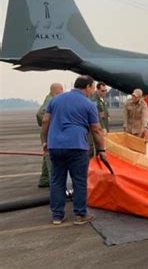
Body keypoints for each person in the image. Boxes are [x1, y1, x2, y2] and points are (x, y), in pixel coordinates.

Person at [41, 75, 106, 225]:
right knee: (79, 181)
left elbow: (45, 121)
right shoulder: (89, 104)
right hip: (77, 146)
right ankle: (80, 214)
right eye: (92, 88)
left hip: (55, 146)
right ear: (88, 87)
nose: (92, 91)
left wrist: (45, 141)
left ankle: (57, 216)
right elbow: (96, 129)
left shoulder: (55, 99)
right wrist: (101, 149)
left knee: (57, 181)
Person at [36, 83, 63, 187]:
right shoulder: (51, 100)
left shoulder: (50, 99)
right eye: (62, 90)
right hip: (49, 132)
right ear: (58, 90)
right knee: (49, 156)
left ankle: (45, 179)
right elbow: (40, 114)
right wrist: (50, 124)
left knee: (47, 154)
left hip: (48, 131)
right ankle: (52, 181)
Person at [88, 82, 111, 158]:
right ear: (97, 90)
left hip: (104, 126)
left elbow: (104, 111)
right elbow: (96, 115)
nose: (104, 92)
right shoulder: (94, 100)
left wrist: (108, 116)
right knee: (97, 147)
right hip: (98, 128)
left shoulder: (102, 100)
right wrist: (103, 127)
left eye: (105, 90)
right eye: (102, 90)